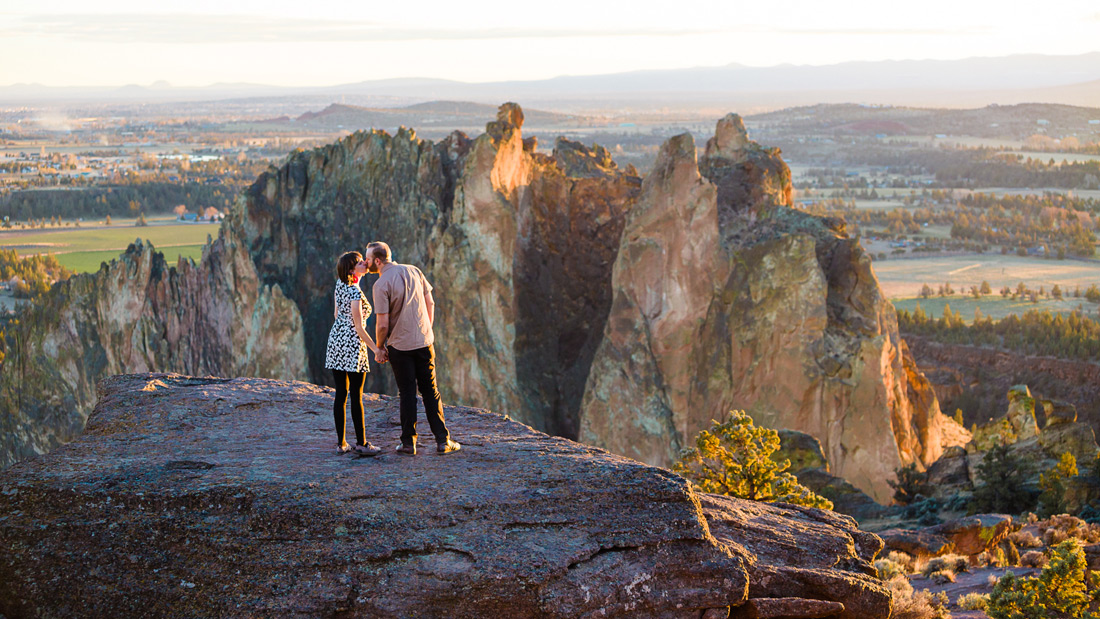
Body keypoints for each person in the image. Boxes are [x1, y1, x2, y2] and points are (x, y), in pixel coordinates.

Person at [366, 241, 461, 455]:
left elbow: (382, 324)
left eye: (368, 258)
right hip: (423, 342)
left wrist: (379, 348)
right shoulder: (414, 271)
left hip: (399, 346)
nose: (366, 261)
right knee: (431, 391)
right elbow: (431, 303)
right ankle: (443, 441)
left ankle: (408, 444)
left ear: (377, 261)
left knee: (407, 393)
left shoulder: (381, 285)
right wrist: (426, 330)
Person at [324, 251, 383, 457]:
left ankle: (341, 444)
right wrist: (376, 349)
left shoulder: (340, 285)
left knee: (341, 394)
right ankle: (362, 443)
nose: (365, 264)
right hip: (351, 344)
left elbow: (336, 314)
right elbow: (359, 327)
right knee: (356, 395)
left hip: (336, 341)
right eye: (360, 263)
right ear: (351, 269)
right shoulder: (355, 293)